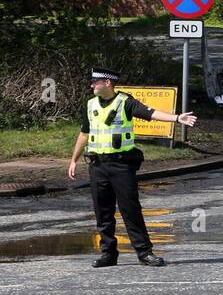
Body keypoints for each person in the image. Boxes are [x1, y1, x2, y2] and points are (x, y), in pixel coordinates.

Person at [67, 68, 198, 268]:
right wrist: (74, 159)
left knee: (130, 210)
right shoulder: (90, 104)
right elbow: (84, 134)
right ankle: (108, 253)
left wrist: (177, 118)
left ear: (108, 83)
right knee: (103, 212)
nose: (91, 85)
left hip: (121, 165)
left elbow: (151, 113)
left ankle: (144, 252)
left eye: (95, 82)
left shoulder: (125, 102)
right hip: (98, 165)